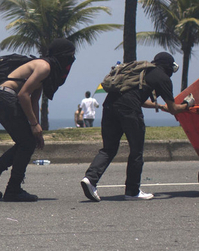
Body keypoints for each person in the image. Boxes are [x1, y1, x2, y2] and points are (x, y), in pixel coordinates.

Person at [80, 52, 192, 202]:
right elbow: (174, 108)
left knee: (109, 148)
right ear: (169, 66)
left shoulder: (141, 71)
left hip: (109, 106)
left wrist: (159, 106)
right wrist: (187, 105)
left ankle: (90, 179)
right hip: (129, 110)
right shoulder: (162, 78)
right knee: (136, 150)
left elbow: (137, 98)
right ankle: (132, 191)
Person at [0, 39, 76, 202]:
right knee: (26, 144)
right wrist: (33, 124)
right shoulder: (44, 66)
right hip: (5, 96)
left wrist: (37, 129)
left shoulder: (45, 70)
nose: (72, 59)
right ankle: (11, 188)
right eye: (71, 55)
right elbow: (23, 94)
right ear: (62, 55)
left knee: (27, 142)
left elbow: (34, 100)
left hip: (1, 97)